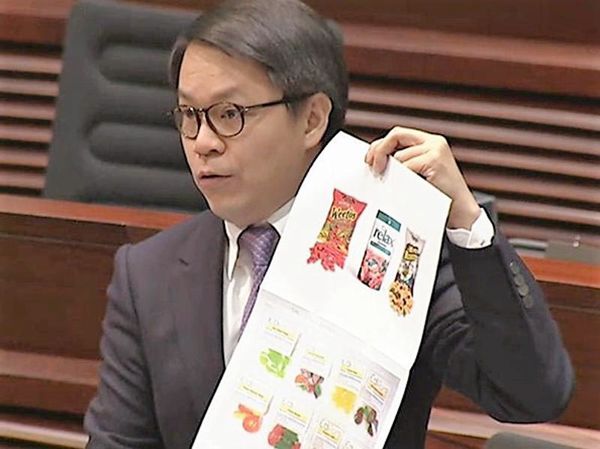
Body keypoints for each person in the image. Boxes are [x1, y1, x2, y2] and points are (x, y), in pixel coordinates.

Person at [84, 1, 574, 448]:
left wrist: (467, 222)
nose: (203, 142)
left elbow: (532, 394)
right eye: (190, 115)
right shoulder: (147, 274)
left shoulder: (395, 253)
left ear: (312, 119)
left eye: (229, 114)